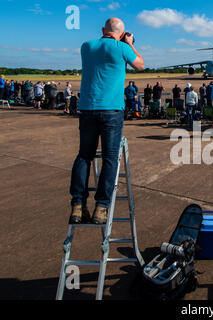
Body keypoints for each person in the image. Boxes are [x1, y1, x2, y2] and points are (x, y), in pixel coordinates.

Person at [69, 17, 144, 225]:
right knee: (110, 158)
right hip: (111, 110)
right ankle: (101, 207)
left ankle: (77, 204)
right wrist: (129, 44)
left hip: (87, 108)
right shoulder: (122, 47)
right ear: (121, 34)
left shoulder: (86, 46)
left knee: (84, 155)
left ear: (103, 29)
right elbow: (140, 65)